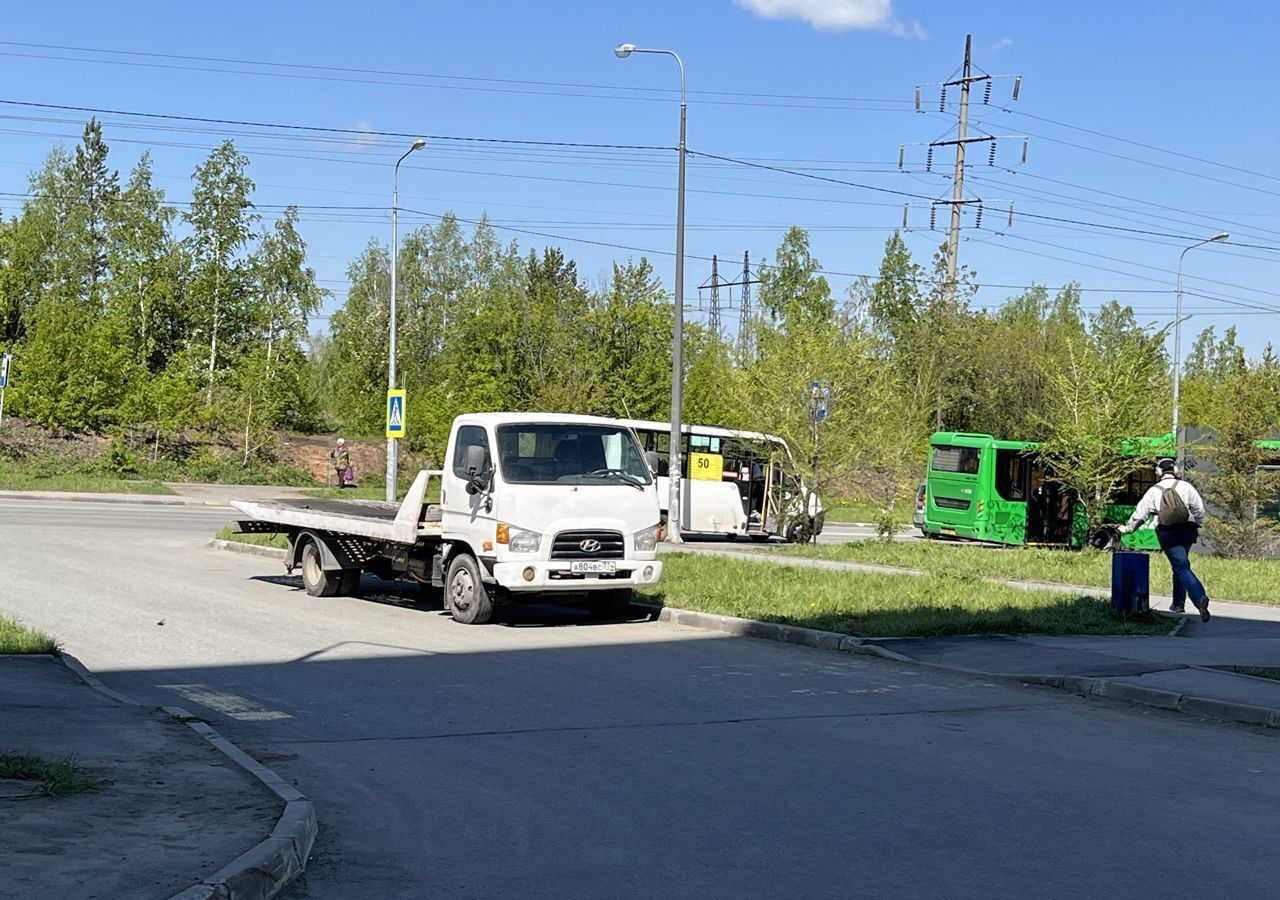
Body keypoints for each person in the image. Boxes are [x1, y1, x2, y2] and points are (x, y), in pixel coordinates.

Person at [1119, 457, 1210, 621]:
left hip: (1168, 533)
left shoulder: (1154, 490)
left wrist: (1128, 529)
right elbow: (1199, 510)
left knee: (1181, 567)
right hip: (1187, 532)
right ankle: (1178, 604)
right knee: (1181, 565)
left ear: (1159, 472)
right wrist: (1198, 525)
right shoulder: (1186, 487)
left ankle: (1199, 598)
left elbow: (1140, 515)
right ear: (1175, 470)